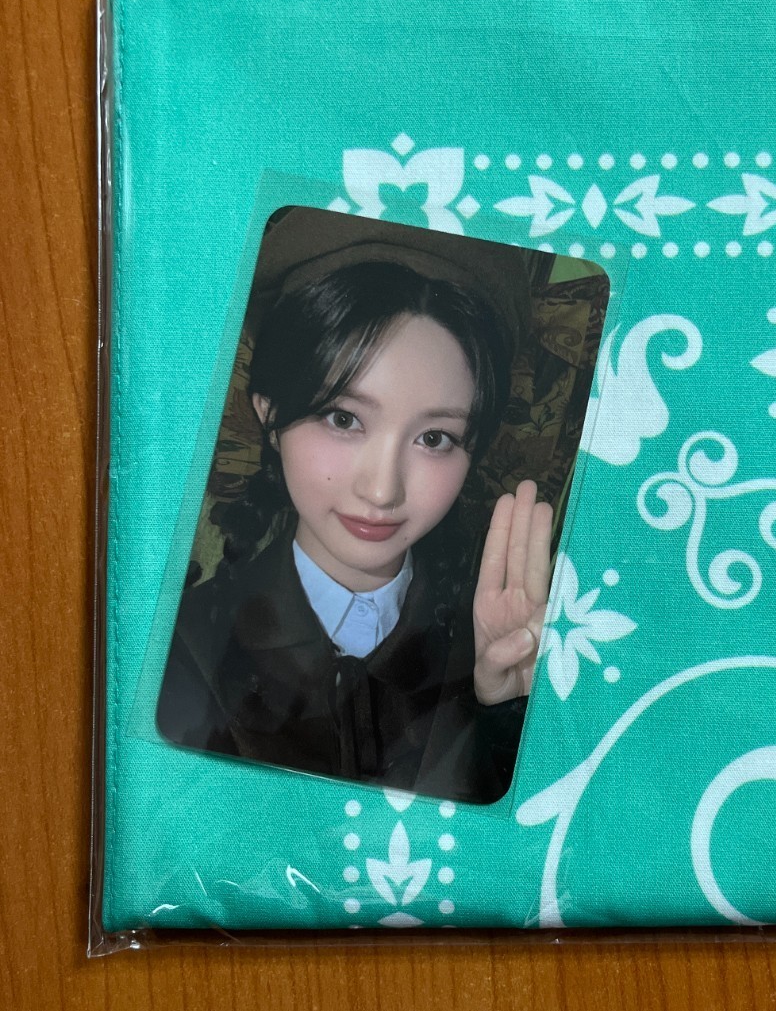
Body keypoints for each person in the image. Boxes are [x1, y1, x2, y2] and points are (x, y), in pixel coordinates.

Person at [155, 208, 552, 803]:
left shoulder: (499, 645)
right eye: (343, 419)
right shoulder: (179, 651)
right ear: (270, 415)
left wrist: (510, 716)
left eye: (434, 438)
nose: (382, 491)